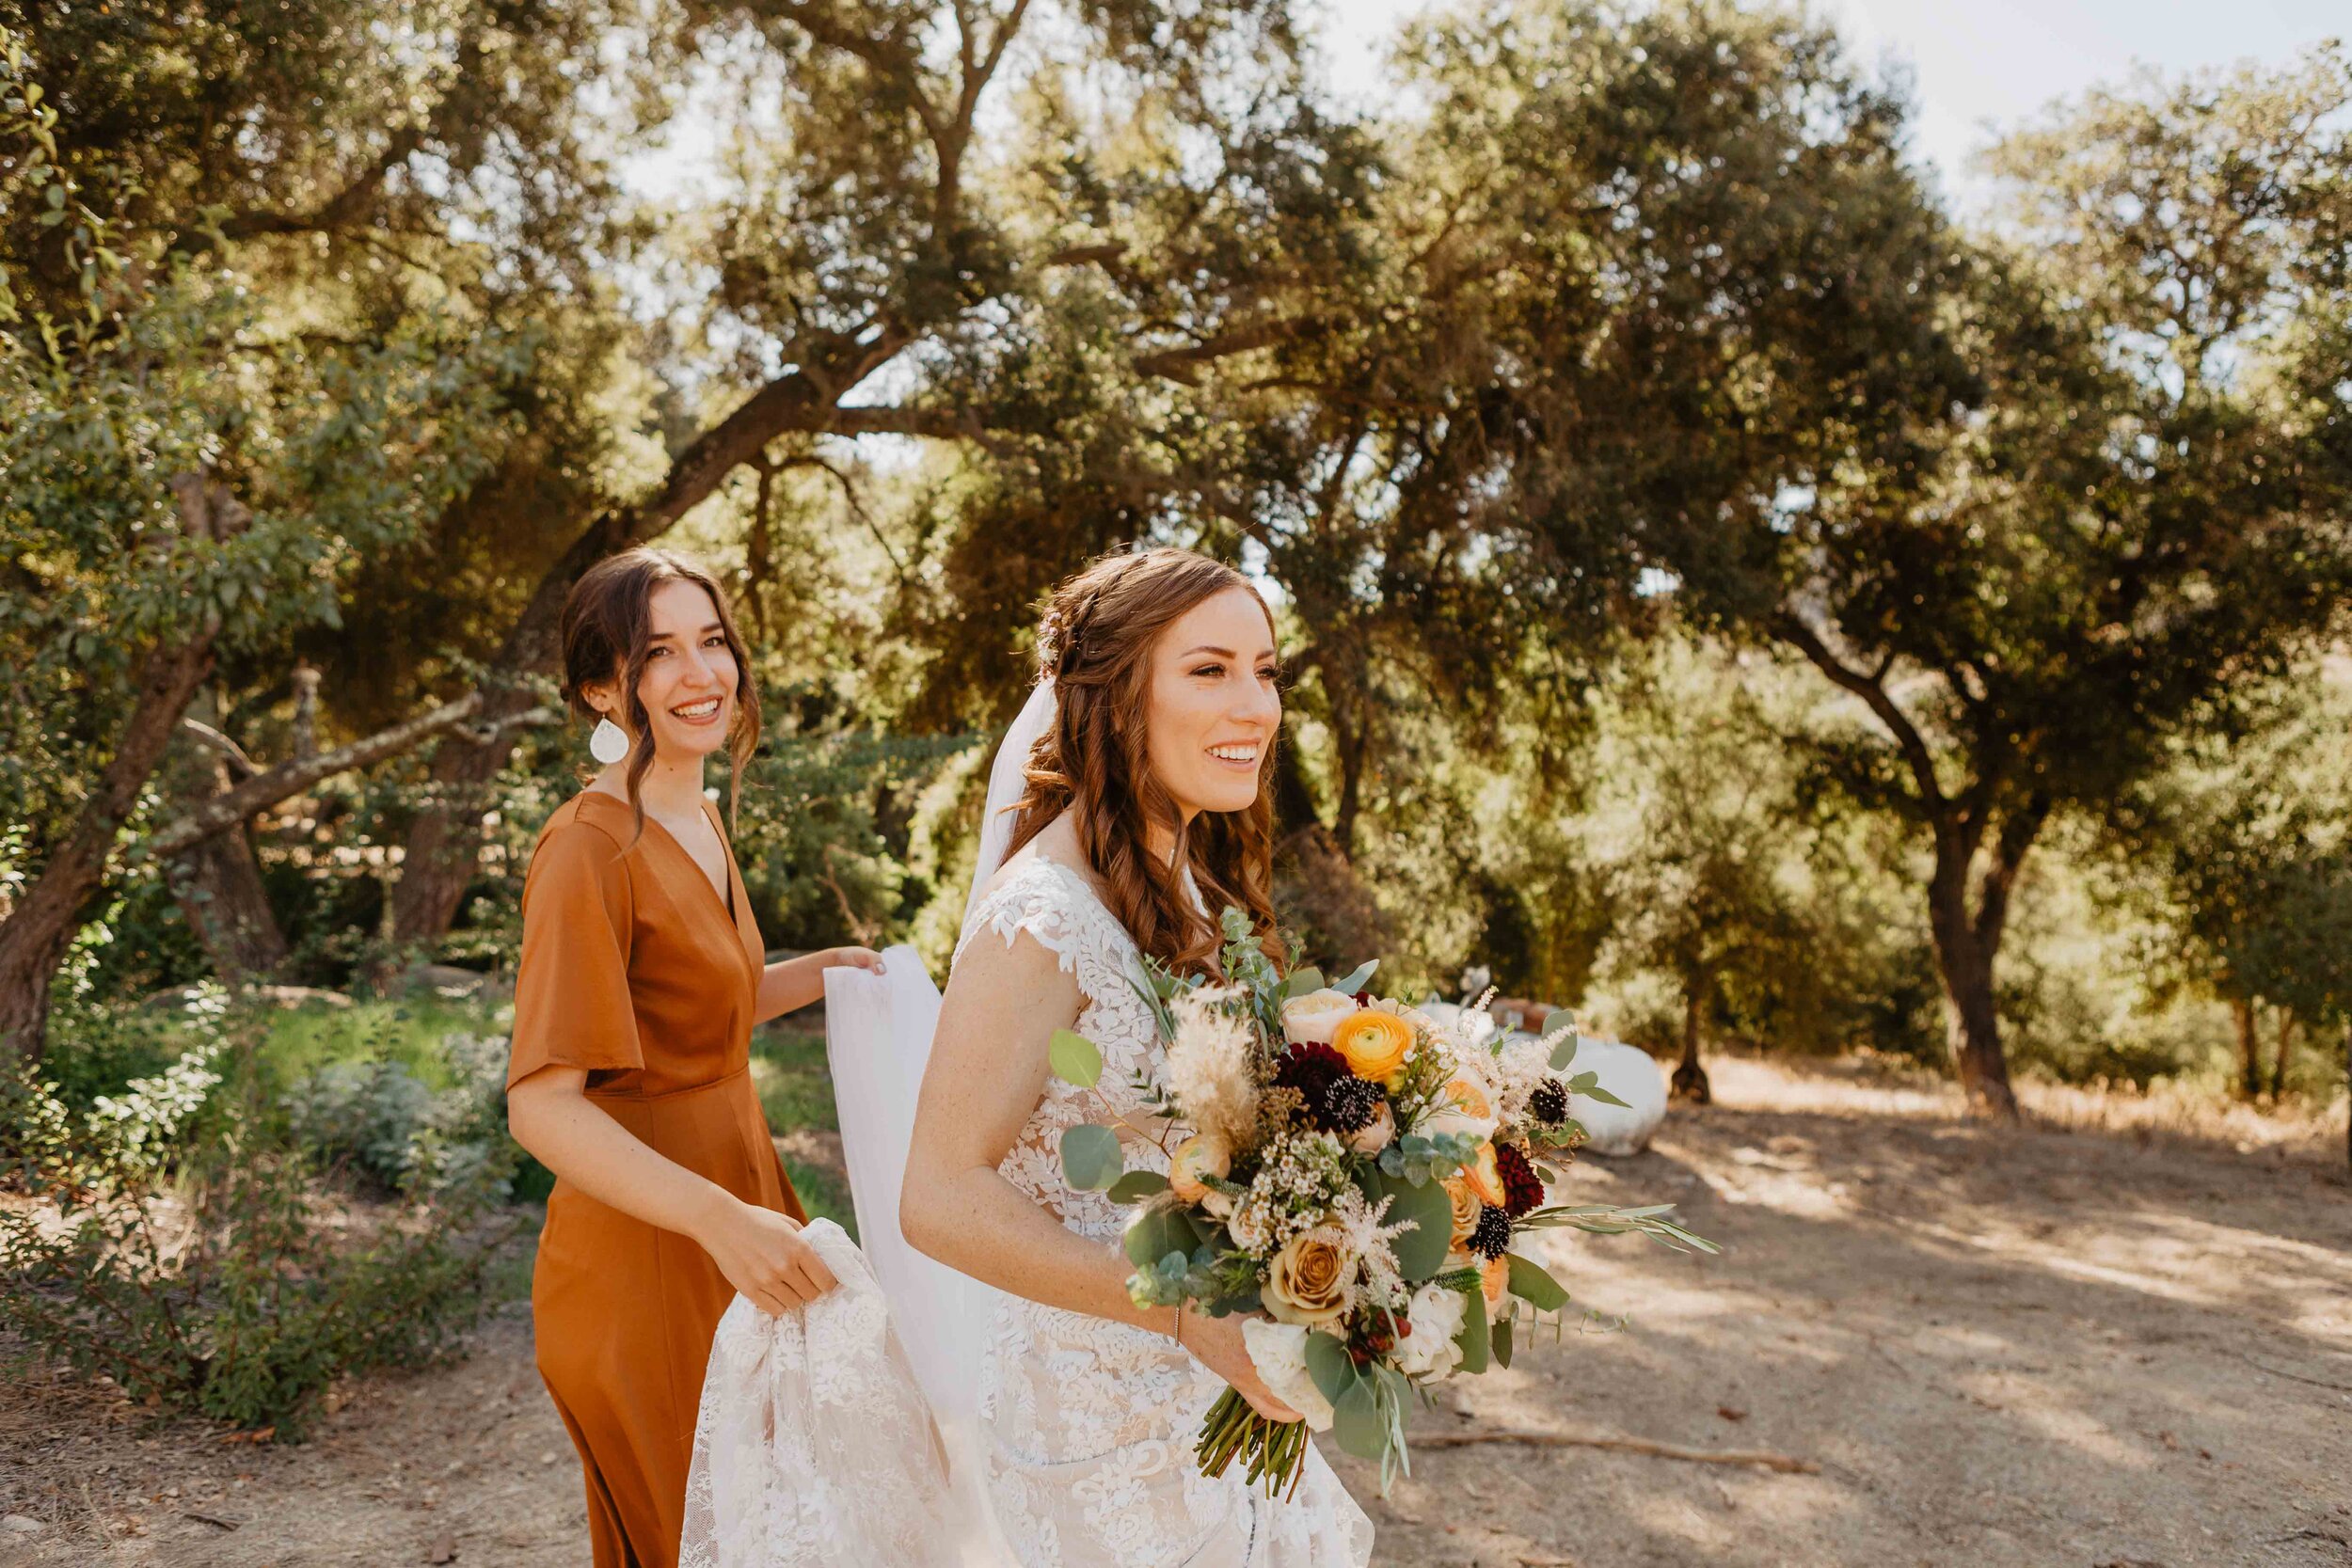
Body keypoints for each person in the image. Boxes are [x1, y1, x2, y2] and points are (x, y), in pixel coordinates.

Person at [895, 546, 1375, 1566]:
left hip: (1219, 1385)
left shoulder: (1191, 886)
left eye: (1266, 670)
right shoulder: (1038, 919)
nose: (1254, 704)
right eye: (1209, 669)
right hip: (1098, 1425)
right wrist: (1181, 1314)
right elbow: (934, 1195)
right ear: (1115, 698)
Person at [503, 547, 883, 1568]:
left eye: (711, 641)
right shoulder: (587, 847)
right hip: (652, 1248)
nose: (700, 672)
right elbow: (542, 1102)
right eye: (657, 651)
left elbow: (688, 1012)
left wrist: (829, 968)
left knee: (791, 1523)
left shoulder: (698, 812)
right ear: (600, 686)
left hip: (741, 1192)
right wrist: (719, 1220)